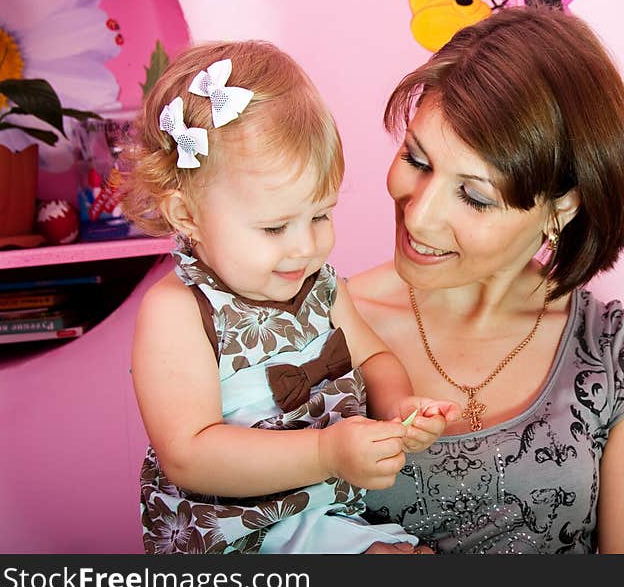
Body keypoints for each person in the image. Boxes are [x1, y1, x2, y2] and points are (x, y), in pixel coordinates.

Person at [351, 3, 624, 554]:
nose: (417, 215)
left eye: (474, 196)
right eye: (417, 160)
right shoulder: (310, 325)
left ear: (561, 208)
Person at [120, 40, 459, 554]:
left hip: (325, 513)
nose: (305, 246)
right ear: (186, 215)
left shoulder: (318, 284)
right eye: (275, 227)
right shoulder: (179, 312)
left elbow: (375, 358)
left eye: (320, 215)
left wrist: (397, 408)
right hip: (235, 534)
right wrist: (326, 451)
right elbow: (188, 455)